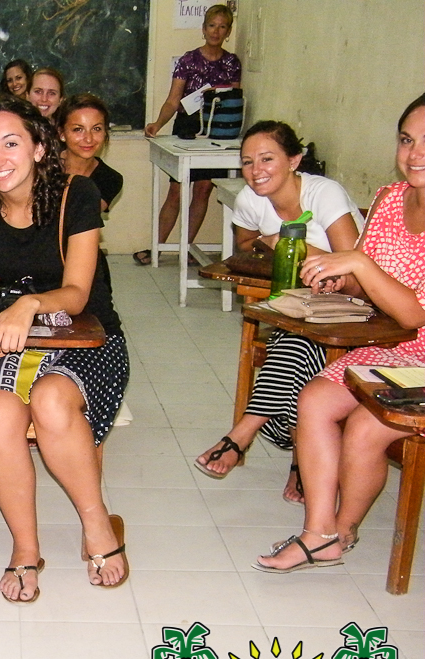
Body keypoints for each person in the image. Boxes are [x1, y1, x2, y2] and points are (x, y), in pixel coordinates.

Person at [0, 98, 130, 600]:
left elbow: (76, 293)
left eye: (11, 143)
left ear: (38, 148)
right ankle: (25, 548)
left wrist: (29, 304)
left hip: (88, 336)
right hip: (18, 337)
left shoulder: (77, 194)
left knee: (51, 400)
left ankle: (97, 524)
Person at [254, 94, 425, 574]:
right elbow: (366, 284)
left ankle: (340, 533)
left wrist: (358, 265)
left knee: (367, 427)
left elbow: (414, 313)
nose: (414, 154)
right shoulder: (390, 199)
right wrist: (338, 279)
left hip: (417, 352)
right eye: (407, 140)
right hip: (388, 346)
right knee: (314, 400)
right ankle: (318, 529)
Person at [194, 121, 363, 503]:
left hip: (358, 306)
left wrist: (290, 245)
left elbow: (355, 267)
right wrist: (270, 245)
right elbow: (246, 246)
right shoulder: (250, 199)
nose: (256, 171)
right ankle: (300, 459)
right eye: (247, 161)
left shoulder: (323, 194)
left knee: (296, 341)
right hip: (301, 306)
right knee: (297, 342)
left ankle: (242, 434)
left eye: (267, 159)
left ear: (294, 160)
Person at [138, 4, 240, 266]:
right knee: (176, 189)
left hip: (217, 129)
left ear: (228, 31)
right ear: (203, 28)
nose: (216, 31)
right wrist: (158, 123)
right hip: (188, 127)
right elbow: (173, 100)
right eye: (212, 25)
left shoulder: (231, 63)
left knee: (203, 189)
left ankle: (186, 247)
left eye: (222, 27)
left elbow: (234, 100)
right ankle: (156, 247)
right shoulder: (188, 60)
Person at [56, 93, 124, 212]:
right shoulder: (42, 167)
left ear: (105, 132)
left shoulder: (109, 179)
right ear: (62, 134)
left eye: (96, 129)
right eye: (78, 129)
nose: (88, 139)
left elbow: (82, 218)